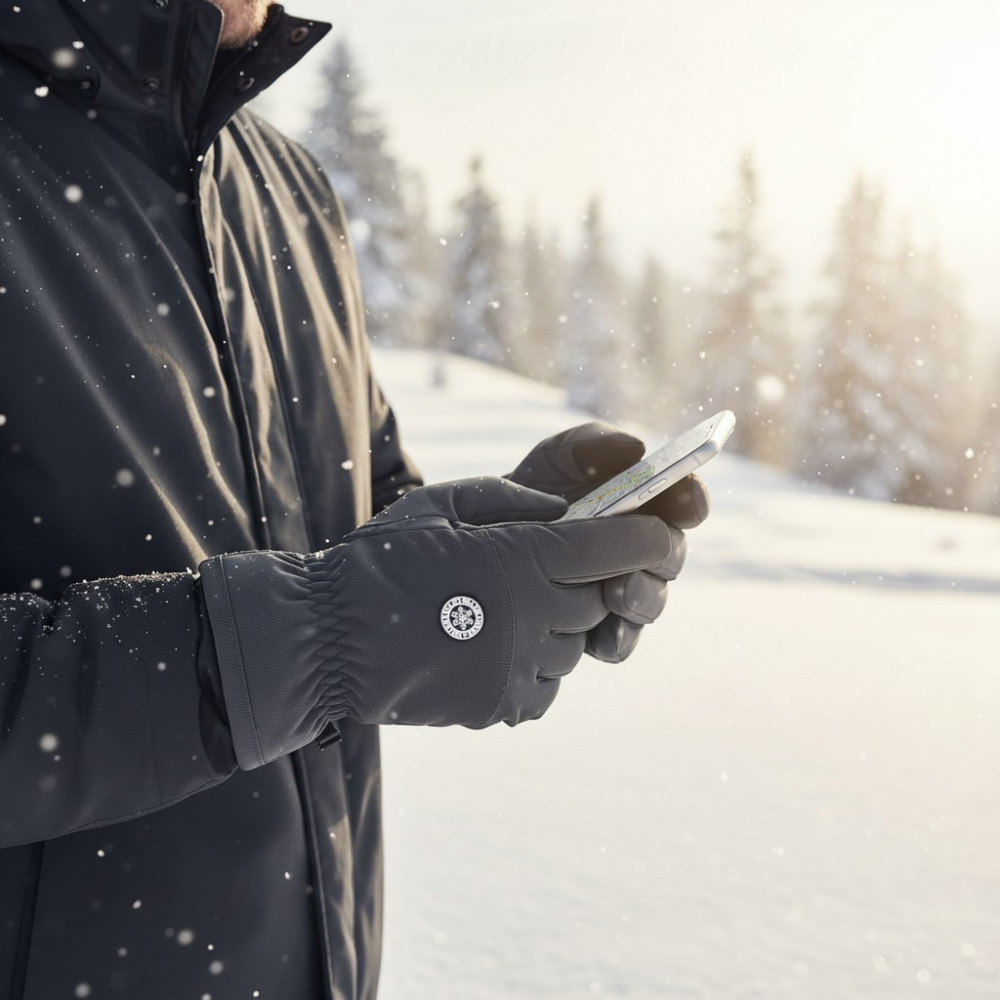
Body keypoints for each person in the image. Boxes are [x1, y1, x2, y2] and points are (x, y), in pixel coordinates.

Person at [0, 2, 709, 997]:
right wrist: (323, 634)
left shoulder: (285, 190)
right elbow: (311, 619)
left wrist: (496, 549)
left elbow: (337, 532)